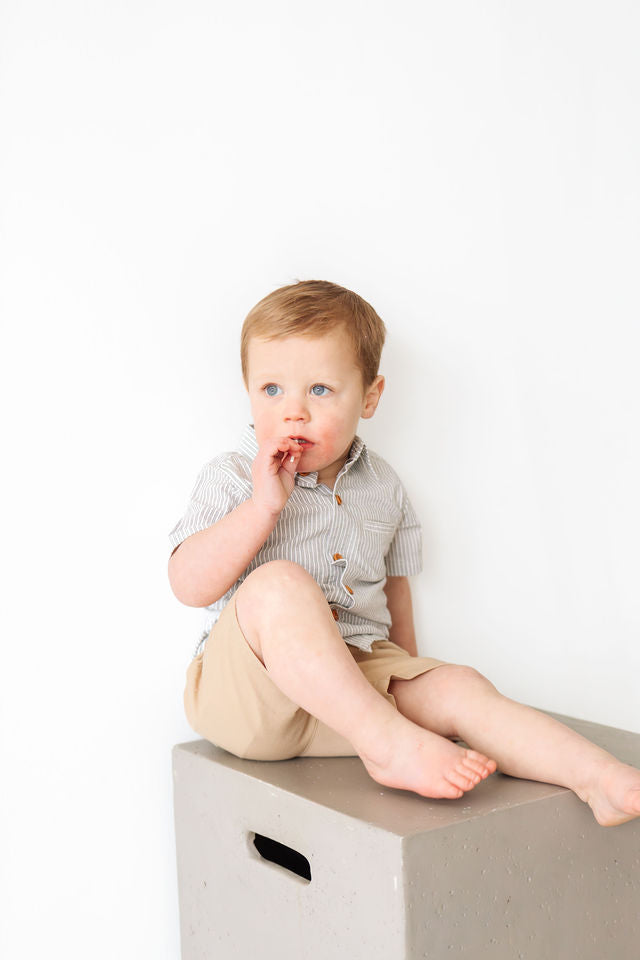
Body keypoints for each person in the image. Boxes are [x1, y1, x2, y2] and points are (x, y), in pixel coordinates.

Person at [168, 279, 640, 827]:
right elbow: (187, 584)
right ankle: (387, 744)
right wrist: (262, 507)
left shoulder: (385, 487)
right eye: (272, 389)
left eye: (319, 389)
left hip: (348, 696)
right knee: (280, 583)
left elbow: (394, 588)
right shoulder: (232, 475)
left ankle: (597, 778)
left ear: (369, 397)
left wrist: (414, 679)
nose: (293, 412)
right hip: (249, 696)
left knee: (459, 685)